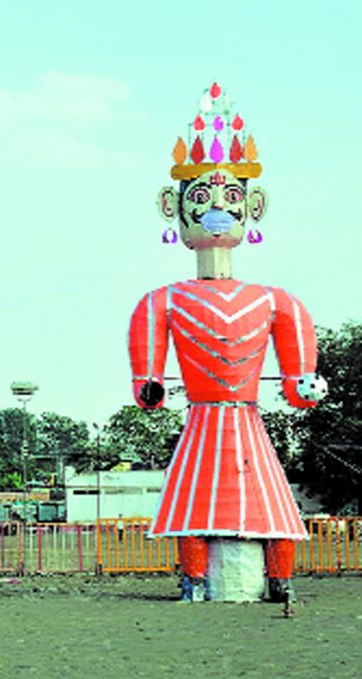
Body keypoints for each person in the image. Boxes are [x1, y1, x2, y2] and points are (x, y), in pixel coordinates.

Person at [128, 82, 326, 603]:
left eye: (231, 197)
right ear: (171, 207)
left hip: (246, 420)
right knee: (194, 510)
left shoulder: (275, 300)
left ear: (254, 206)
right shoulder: (162, 301)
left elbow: (299, 380)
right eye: (199, 197)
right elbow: (147, 381)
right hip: (203, 421)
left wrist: (306, 385)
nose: (216, 208)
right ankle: (195, 579)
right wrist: (148, 388)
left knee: (272, 508)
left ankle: (278, 580)